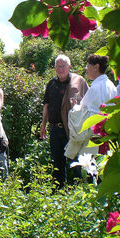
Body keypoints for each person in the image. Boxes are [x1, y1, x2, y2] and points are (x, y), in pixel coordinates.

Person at [40, 54, 88, 188]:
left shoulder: (78, 82)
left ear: (69, 67)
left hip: (72, 129)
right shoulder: (51, 84)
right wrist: (43, 125)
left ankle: (79, 190)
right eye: (57, 66)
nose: (60, 69)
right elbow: (47, 105)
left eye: (62, 66)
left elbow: (88, 104)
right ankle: (59, 193)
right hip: (55, 129)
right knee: (57, 163)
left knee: (76, 161)